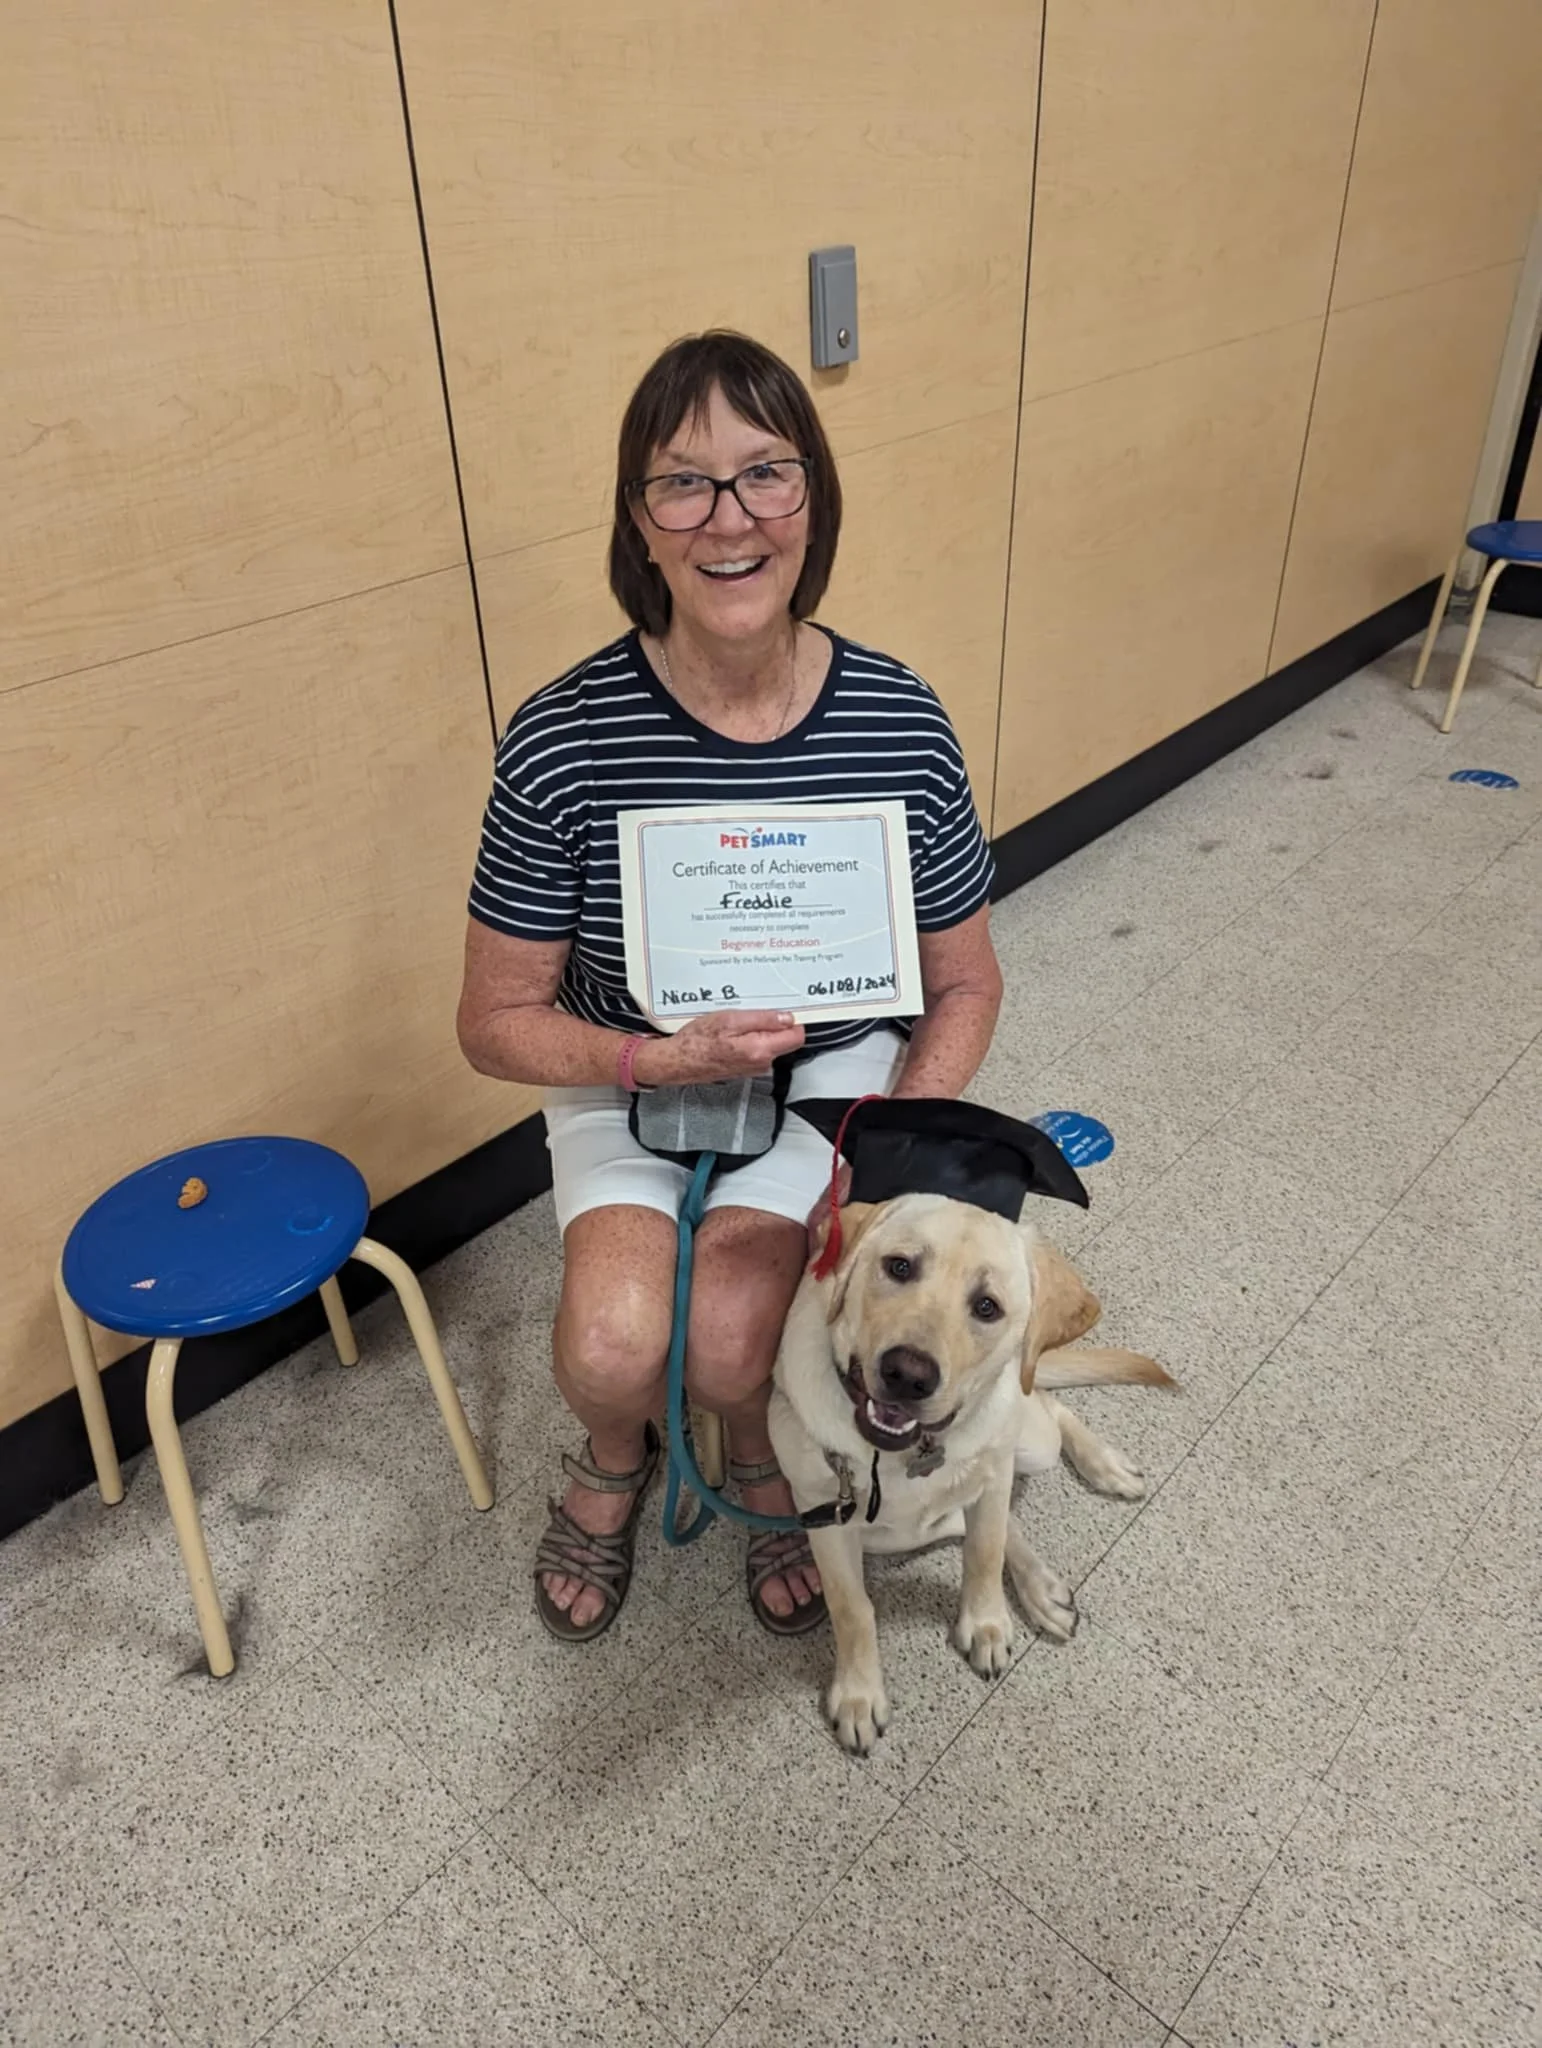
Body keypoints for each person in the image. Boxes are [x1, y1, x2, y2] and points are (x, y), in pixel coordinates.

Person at [457, 330, 1003, 1643]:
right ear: (637, 523)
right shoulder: (561, 732)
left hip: (825, 1077)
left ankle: (748, 1446)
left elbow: (965, 984)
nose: (728, 518)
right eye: (681, 484)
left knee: (724, 1345)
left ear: (811, 500)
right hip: (633, 1069)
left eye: (764, 475)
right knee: (610, 1348)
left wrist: (884, 1151)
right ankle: (611, 1455)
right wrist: (653, 1062)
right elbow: (492, 1022)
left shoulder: (895, 716)